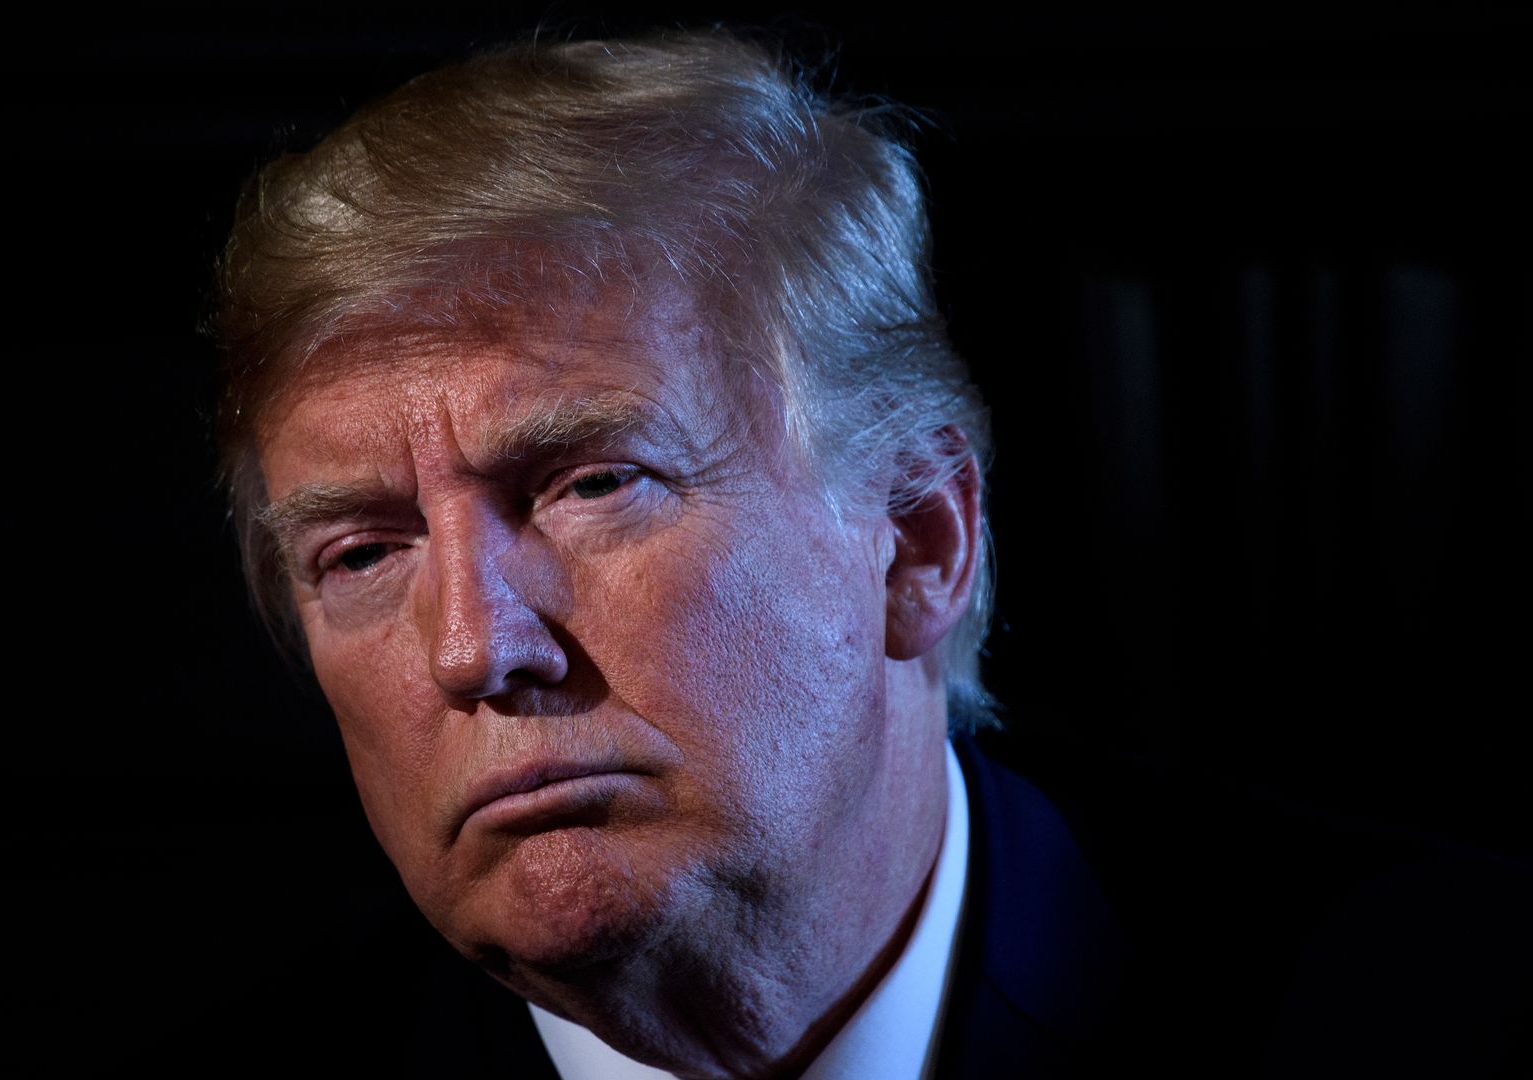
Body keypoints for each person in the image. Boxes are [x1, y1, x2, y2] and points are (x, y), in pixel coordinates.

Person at [200, 29, 1528, 1080]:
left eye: (597, 483)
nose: (477, 646)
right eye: (364, 553)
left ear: (917, 545)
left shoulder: (1446, 1009)